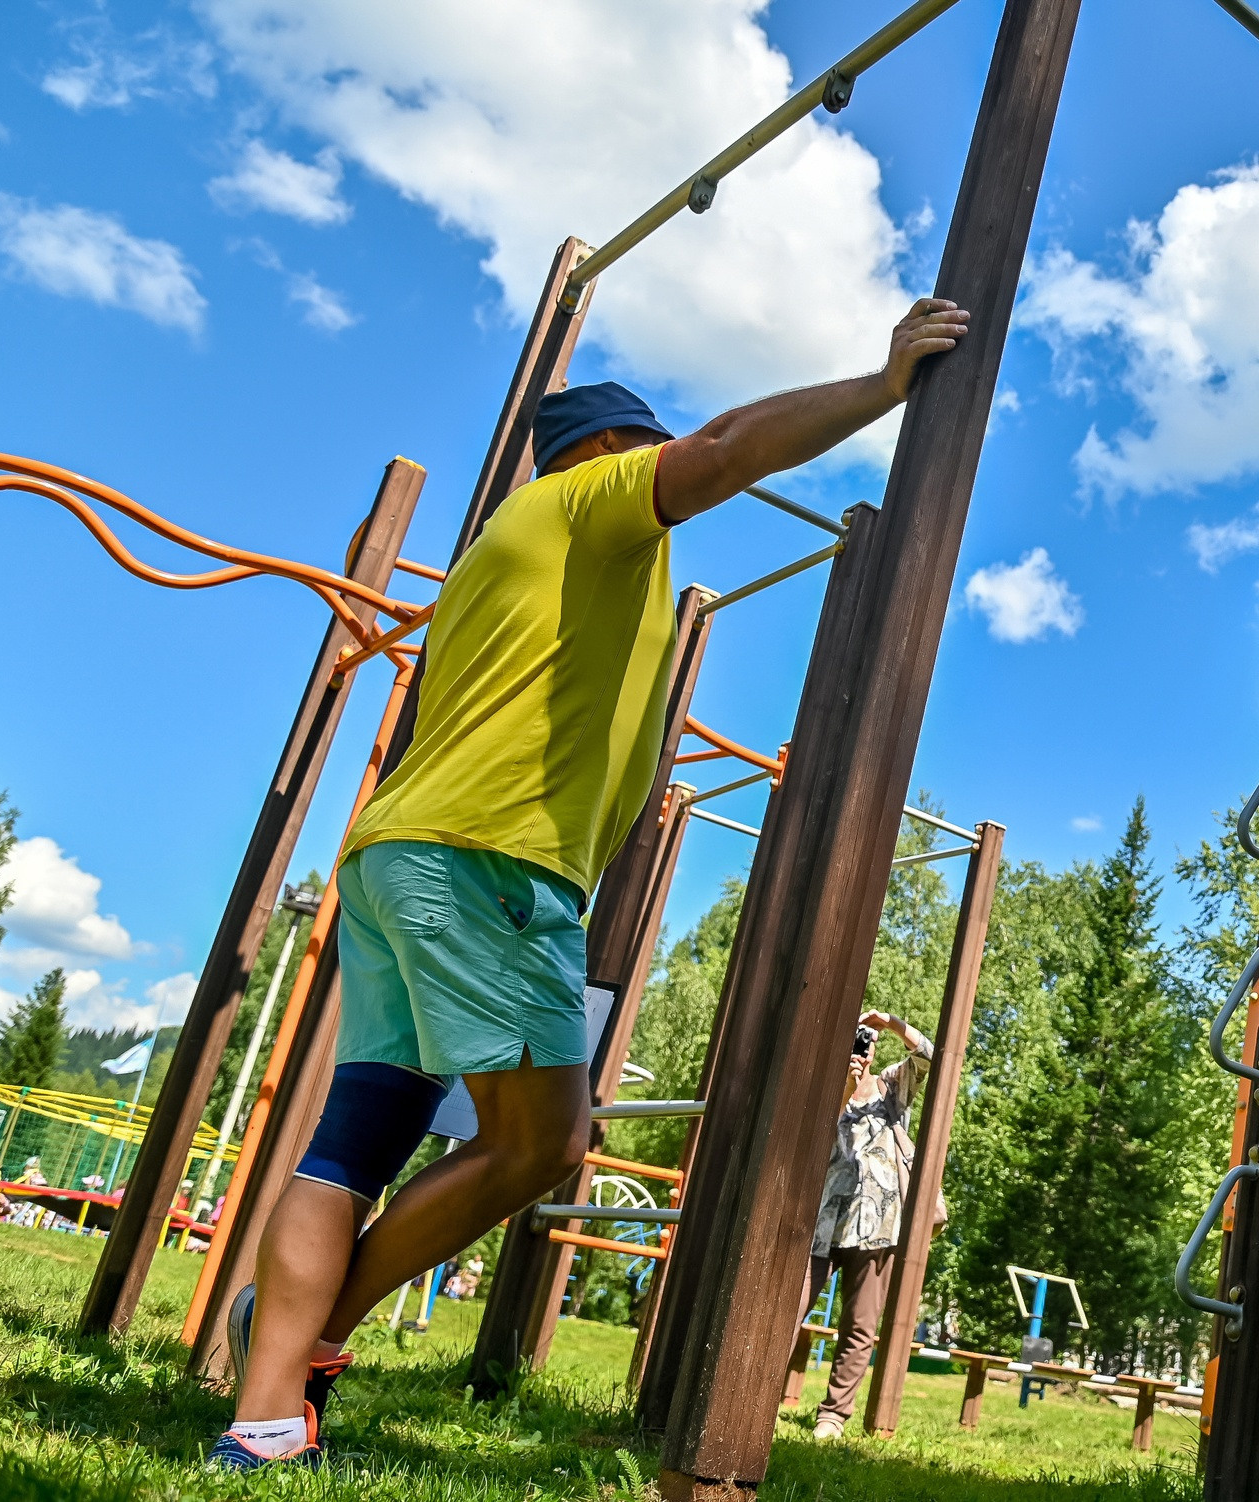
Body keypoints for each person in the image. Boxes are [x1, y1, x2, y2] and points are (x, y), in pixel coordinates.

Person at [208, 297, 972, 1472]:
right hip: (491, 863)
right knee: (544, 1140)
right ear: (609, 452)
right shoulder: (585, 502)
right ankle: (315, 1331)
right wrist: (879, 386)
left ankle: (266, 1413)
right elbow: (720, 450)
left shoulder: (500, 554)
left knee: (355, 1136)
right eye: (644, 451)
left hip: (399, 856)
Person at [797, 1010, 935, 1440]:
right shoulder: (817, 1087)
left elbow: (931, 1056)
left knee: (859, 1327)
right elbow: (808, 1139)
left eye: (866, 1040)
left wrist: (890, 1022)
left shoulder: (891, 1086)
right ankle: (759, 1393)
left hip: (875, 1224)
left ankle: (833, 1416)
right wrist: (840, 1086)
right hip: (816, 1223)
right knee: (787, 1309)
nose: (863, 1048)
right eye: (856, 1040)